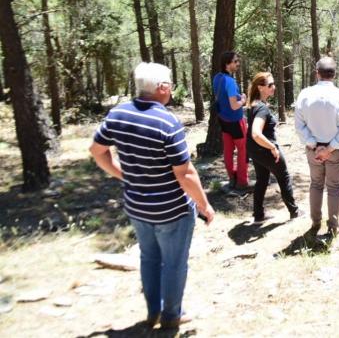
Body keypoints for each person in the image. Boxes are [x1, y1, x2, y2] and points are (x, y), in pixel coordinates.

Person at [89, 62, 215, 329]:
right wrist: (204, 205)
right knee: (174, 264)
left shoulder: (118, 115)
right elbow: (186, 174)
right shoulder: (167, 123)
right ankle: (171, 316)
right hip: (171, 210)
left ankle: (152, 312)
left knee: (148, 258)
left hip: (137, 206)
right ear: (162, 87)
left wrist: (121, 173)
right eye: (170, 84)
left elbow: (96, 150)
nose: (171, 88)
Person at [294, 57, 339, 237]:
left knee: (316, 184)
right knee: (334, 187)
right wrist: (331, 148)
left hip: (314, 151)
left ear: (317, 73)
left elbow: (299, 125)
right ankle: (333, 225)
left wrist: (314, 145)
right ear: (334, 74)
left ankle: (315, 222)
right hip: (335, 150)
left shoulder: (305, 94)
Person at [246, 72, 301, 223]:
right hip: (264, 149)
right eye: (270, 85)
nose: (274, 87)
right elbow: (256, 133)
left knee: (262, 179)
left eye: (273, 84)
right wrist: (272, 147)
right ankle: (294, 212)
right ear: (260, 87)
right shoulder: (261, 108)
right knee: (284, 177)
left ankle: (258, 215)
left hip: (255, 149)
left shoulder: (254, 104)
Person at [212, 51, 249, 194]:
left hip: (223, 120)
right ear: (227, 64)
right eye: (235, 61)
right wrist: (243, 100)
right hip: (235, 121)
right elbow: (234, 105)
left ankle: (231, 178)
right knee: (242, 151)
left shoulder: (217, 78)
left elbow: (223, 97)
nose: (237, 64)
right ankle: (242, 181)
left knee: (228, 150)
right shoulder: (230, 82)